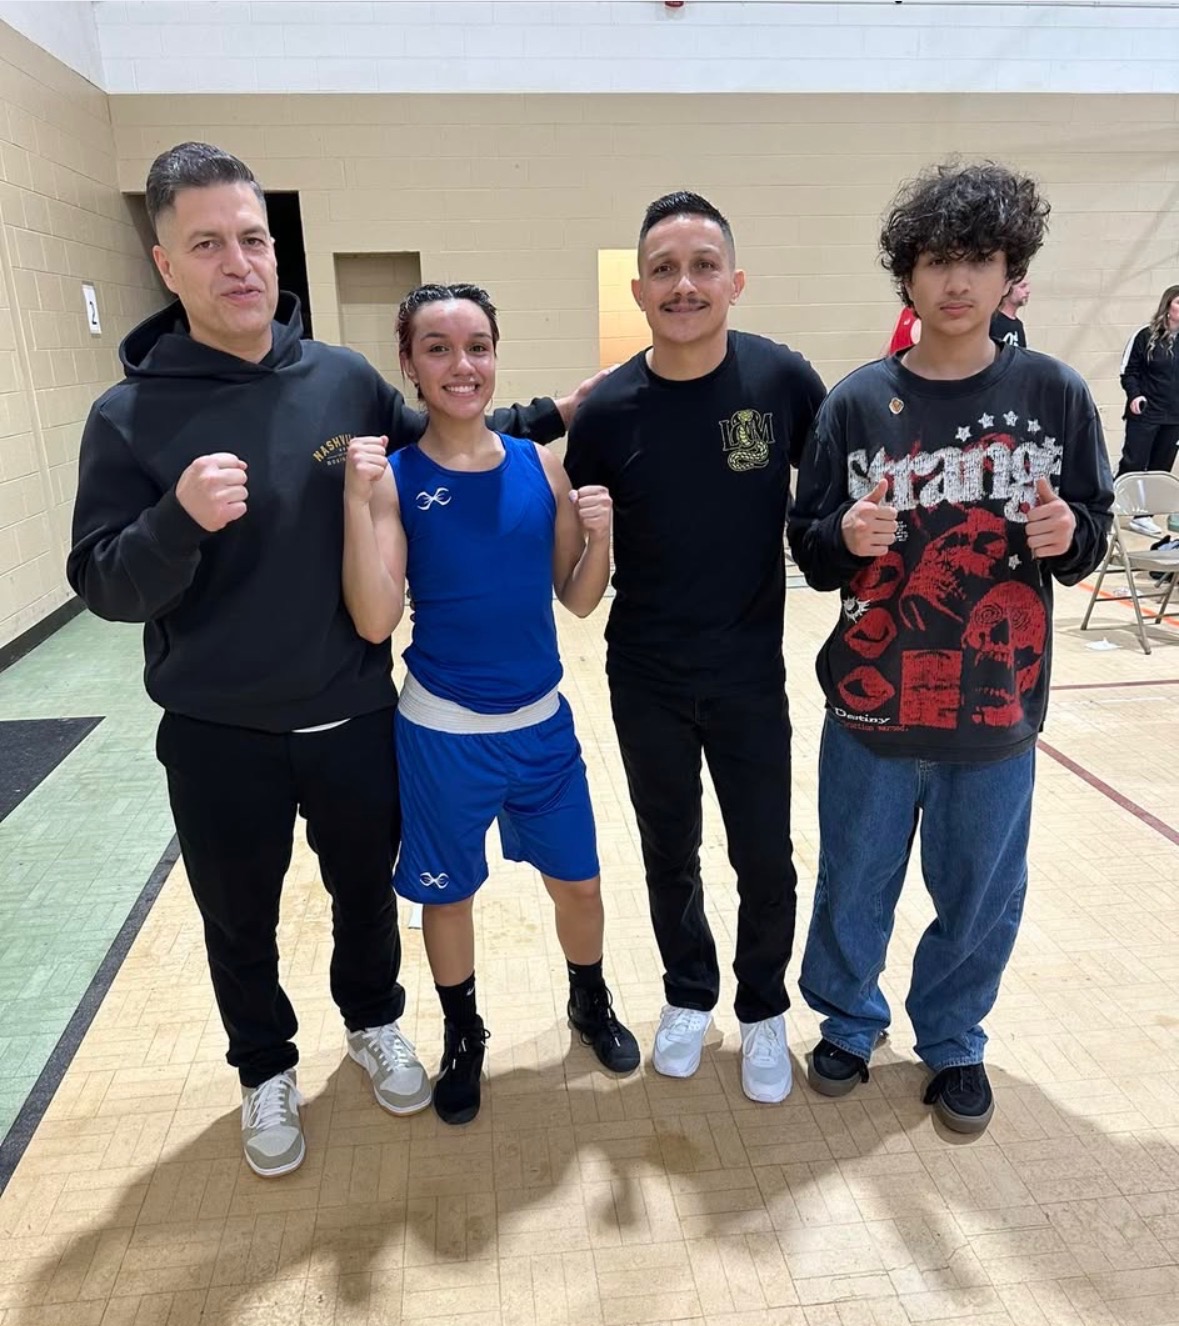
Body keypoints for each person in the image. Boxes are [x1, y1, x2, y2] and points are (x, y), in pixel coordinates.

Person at [66, 143, 603, 1177]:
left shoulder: (345, 379)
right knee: (239, 920)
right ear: (165, 262)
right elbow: (103, 583)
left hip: (353, 713)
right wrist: (175, 522)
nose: (240, 263)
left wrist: (554, 421)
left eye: (254, 238)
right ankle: (264, 1070)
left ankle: (374, 1022)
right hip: (218, 732)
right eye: (208, 243)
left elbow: (450, 436)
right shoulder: (127, 417)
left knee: (367, 897)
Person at [788, 162, 1113, 1135]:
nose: (956, 280)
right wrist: (842, 538)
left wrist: (1072, 542)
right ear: (907, 274)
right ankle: (849, 1021)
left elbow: (1088, 525)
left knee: (979, 893)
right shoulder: (855, 401)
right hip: (870, 705)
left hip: (997, 711)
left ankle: (956, 1038)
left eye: (978, 259)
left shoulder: (1054, 394)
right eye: (937, 260)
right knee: (855, 878)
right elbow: (808, 547)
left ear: (1011, 270)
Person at [340, 282, 639, 1125]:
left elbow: (577, 600)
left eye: (476, 346)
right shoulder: (396, 479)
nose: (460, 365)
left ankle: (589, 999)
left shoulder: (541, 463)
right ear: (409, 365)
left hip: (541, 729)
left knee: (578, 887)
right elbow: (372, 617)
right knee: (448, 895)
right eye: (437, 348)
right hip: (442, 736)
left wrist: (601, 536)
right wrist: (356, 506)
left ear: (496, 357)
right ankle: (463, 1034)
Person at [564, 192, 826, 1105]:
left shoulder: (781, 381)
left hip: (750, 674)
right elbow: (579, 564)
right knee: (667, 848)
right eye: (665, 270)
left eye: (703, 265)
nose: (685, 285)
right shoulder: (606, 414)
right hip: (645, 675)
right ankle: (688, 993)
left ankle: (761, 1009)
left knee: (763, 853)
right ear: (637, 289)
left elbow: (835, 493)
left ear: (734, 281)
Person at [1117, 284, 1179, 535]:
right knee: (1133, 462)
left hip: (1173, 416)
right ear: (1168, 306)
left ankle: (1143, 516)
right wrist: (1135, 395)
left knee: (1160, 468)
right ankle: (1111, 511)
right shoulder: (1145, 336)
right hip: (1146, 412)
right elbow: (1128, 370)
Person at [990, 277, 1029, 348]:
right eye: (1022, 286)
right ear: (1007, 289)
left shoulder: (1018, 325)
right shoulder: (992, 320)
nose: (1028, 291)